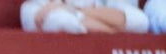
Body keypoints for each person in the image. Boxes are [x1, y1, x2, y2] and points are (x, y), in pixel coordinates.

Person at [20, 0, 149, 33]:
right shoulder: (31, 8)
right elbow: (66, 23)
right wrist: (113, 31)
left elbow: (139, 22)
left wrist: (73, 9)